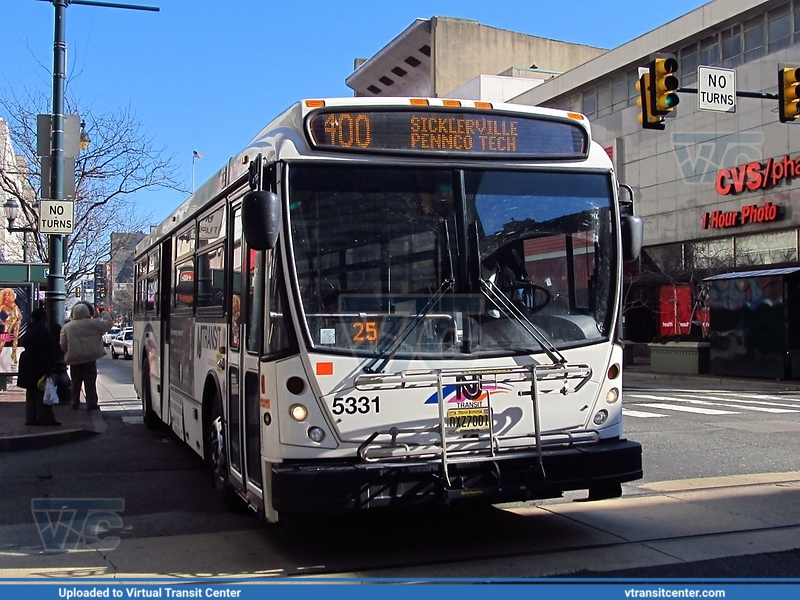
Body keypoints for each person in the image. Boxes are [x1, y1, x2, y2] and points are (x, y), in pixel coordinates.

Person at [60, 302, 113, 410]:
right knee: (90, 382)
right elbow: (108, 323)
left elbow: (63, 344)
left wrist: (67, 352)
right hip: (90, 358)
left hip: (75, 358)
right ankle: (91, 403)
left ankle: (74, 401)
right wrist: (103, 312)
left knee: (75, 381)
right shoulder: (94, 324)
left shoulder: (67, 327)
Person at [17, 308, 60, 426]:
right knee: (42, 392)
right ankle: (46, 419)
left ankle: (30, 418)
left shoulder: (30, 329)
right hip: (36, 365)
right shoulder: (41, 331)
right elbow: (43, 352)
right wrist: (47, 370)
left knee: (31, 393)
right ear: (42, 318)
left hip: (27, 363)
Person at [0, 287, 23, 364]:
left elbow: (18, 313)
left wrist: (19, 318)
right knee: (4, 338)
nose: (7, 296)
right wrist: (3, 321)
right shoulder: (2, 305)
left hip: (16, 321)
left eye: (8, 295)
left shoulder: (14, 304)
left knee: (15, 338)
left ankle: (14, 355)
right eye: (5, 295)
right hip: (9, 321)